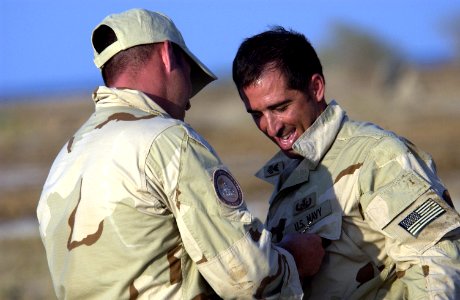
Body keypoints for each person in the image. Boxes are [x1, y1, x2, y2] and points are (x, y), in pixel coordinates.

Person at [36, 9, 325, 300]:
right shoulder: (168, 140)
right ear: (167, 55)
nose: (188, 100)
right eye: (190, 74)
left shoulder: (65, 160)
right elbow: (247, 277)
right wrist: (294, 258)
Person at [232, 26, 460, 299]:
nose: (271, 127)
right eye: (256, 114)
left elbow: (435, 262)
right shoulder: (288, 179)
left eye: (281, 108)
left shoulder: (378, 155)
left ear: (316, 88)